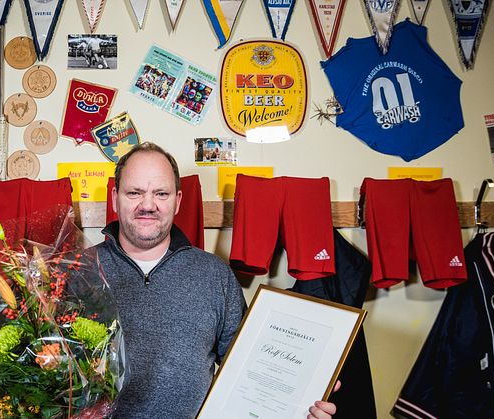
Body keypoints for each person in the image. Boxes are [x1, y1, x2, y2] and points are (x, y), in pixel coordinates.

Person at [95, 142, 338, 419]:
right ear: (115, 198)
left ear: (178, 201)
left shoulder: (215, 275)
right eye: (134, 192)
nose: (148, 205)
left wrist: (304, 396)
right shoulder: (78, 271)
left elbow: (250, 368)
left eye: (161, 193)